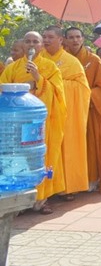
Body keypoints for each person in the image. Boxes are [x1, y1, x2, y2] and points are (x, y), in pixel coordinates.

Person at [0, 31, 66, 214]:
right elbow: (2, 89)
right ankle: (18, 199)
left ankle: (42, 199)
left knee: (41, 157)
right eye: (28, 41)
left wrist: (38, 79)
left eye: (35, 41)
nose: (31, 45)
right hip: (17, 122)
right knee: (19, 158)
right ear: (23, 45)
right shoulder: (12, 68)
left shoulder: (50, 67)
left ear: (41, 46)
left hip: (40, 122)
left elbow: (58, 93)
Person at [65, 27, 101, 193]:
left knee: (90, 144)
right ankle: (69, 181)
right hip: (67, 110)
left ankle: (91, 177)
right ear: (65, 40)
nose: (75, 40)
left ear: (83, 39)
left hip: (89, 109)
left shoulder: (93, 60)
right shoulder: (62, 60)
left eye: (78, 37)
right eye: (71, 37)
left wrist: (89, 96)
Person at [42, 26, 91, 199]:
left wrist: (57, 84)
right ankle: (46, 188)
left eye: (50, 37)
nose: (46, 40)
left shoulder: (71, 62)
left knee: (66, 148)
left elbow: (83, 88)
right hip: (44, 113)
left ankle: (67, 187)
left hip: (66, 113)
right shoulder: (40, 59)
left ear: (60, 40)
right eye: (44, 37)